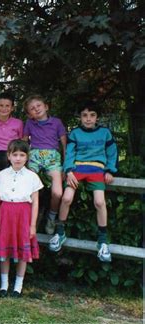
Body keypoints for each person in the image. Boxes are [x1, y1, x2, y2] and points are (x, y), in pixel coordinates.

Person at [49, 103, 118, 262]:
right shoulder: (75, 133)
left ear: (97, 117)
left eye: (92, 115)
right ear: (80, 117)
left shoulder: (105, 133)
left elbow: (112, 152)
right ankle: (60, 233)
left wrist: (110, 170)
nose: (88, 119)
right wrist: (68, 170)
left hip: (97, 169)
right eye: (85, 115)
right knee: (66, 198)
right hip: (77, 169)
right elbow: (69, 154)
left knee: (100, 202)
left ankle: (102, 242)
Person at [0, 139, 43, 298]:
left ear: (27, 157)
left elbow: (35, 203)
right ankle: (4, 284)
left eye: (22, 155)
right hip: (5, 214)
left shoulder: (32, 177)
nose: (18, 158)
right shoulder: (2, 174)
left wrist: (33, 225)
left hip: (23, 215)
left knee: (22, 251)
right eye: (15, 155)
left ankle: (18, 286)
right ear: (9, 156)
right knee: (4, 250)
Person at [23, 95, 67, 235]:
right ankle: (29, 219)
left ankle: (51, 217)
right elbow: (24, 143)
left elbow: (64, 144)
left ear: (46, 107)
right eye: (32, 109)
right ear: (30, 114)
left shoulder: (57, 123)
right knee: (28, 187)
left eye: (38, 106)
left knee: (57, 192)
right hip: (35, 156)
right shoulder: (29, 124)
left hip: (53, 158)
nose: (36, 109)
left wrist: (65, 166)